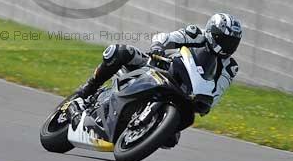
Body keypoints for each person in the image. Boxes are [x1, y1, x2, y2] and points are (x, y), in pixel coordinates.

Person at [73, 13, 242, 121]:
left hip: (183, 94)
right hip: (158, 66)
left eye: (232, 42)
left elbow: (218, 91)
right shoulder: (196, 34)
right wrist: (158, 47)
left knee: (170, 140)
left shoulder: (229, 67)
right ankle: (88, 89)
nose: (227, 46)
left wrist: (206, 103)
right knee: (119, 52)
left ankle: (145, 126)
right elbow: (166, 37)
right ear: (213, 33)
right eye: (224, 39)